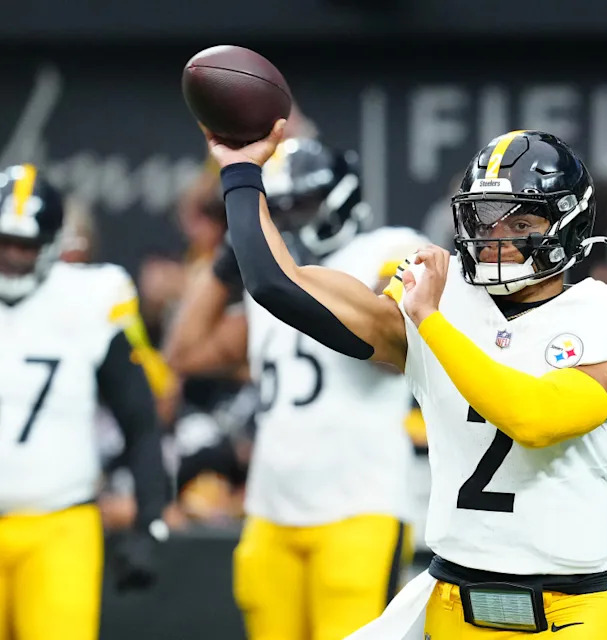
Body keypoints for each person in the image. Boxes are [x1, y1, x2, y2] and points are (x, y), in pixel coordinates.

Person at [206, 123, 607, 639]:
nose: (495, 237)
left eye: (519, 222)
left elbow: (536, 418)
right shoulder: (441, 293)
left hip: (564, 610)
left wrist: (431, 321)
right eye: (483, 217)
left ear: (567, 223)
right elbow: (279, 284)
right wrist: (241, 172)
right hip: (451, 601)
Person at [164, 137, 424, 640]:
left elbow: (398, 324)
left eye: (299, 206)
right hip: (271, 510)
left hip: (358, 507)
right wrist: (228, 260)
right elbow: (185, 352)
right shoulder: (270, 287)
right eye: (279, 211)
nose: (290, 223)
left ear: (340, 199)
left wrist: (286, 276)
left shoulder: (383, 248)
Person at [0, 164, 169, 640]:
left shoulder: (91, 296)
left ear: (52, 244)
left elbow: (140, 418)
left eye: (25, 246)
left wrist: (148, 519)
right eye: (4, 243)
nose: (13, 258)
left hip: (59, 521)